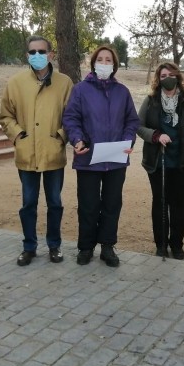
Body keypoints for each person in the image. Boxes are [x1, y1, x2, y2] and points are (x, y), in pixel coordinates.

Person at [0, 36, 73, 266]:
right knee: (28, 203)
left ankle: (54, 245)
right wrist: (18, 135)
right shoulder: (16, 82)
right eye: (32, 52)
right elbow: (5, 115)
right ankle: (29, 246)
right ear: (27, 55)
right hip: (27, 154)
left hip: (53, 153)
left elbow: (72, 116)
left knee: (55, 203)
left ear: (51, 54)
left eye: (42, 51)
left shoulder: (65, 83)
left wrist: (61, 136)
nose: (37, 55)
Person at [62, 45, 139, 267]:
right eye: (101, 59)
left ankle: (107, 246)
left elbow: (131, 121)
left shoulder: (122, 92)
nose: (104, 63)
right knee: (88, 204)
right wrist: (77, 140)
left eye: (109, 60)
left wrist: (127, 140)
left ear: (114, 65)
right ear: (93, 62)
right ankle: (86, 247)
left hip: (116, 159)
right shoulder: (80, 90)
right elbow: (71, 119)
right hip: (88, 158)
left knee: (112, 204)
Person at [137, 62, 184, 260]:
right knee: (159, 202)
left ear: (177, 77)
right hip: (158, 161)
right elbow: (138, 126)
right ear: (158, 79)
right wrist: (156, 136)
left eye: (170, 74)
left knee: (177, 203)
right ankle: (160, 244)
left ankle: (177, 244)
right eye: (162, 75)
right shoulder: (151, 101)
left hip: (182, 162)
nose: (166, 78)